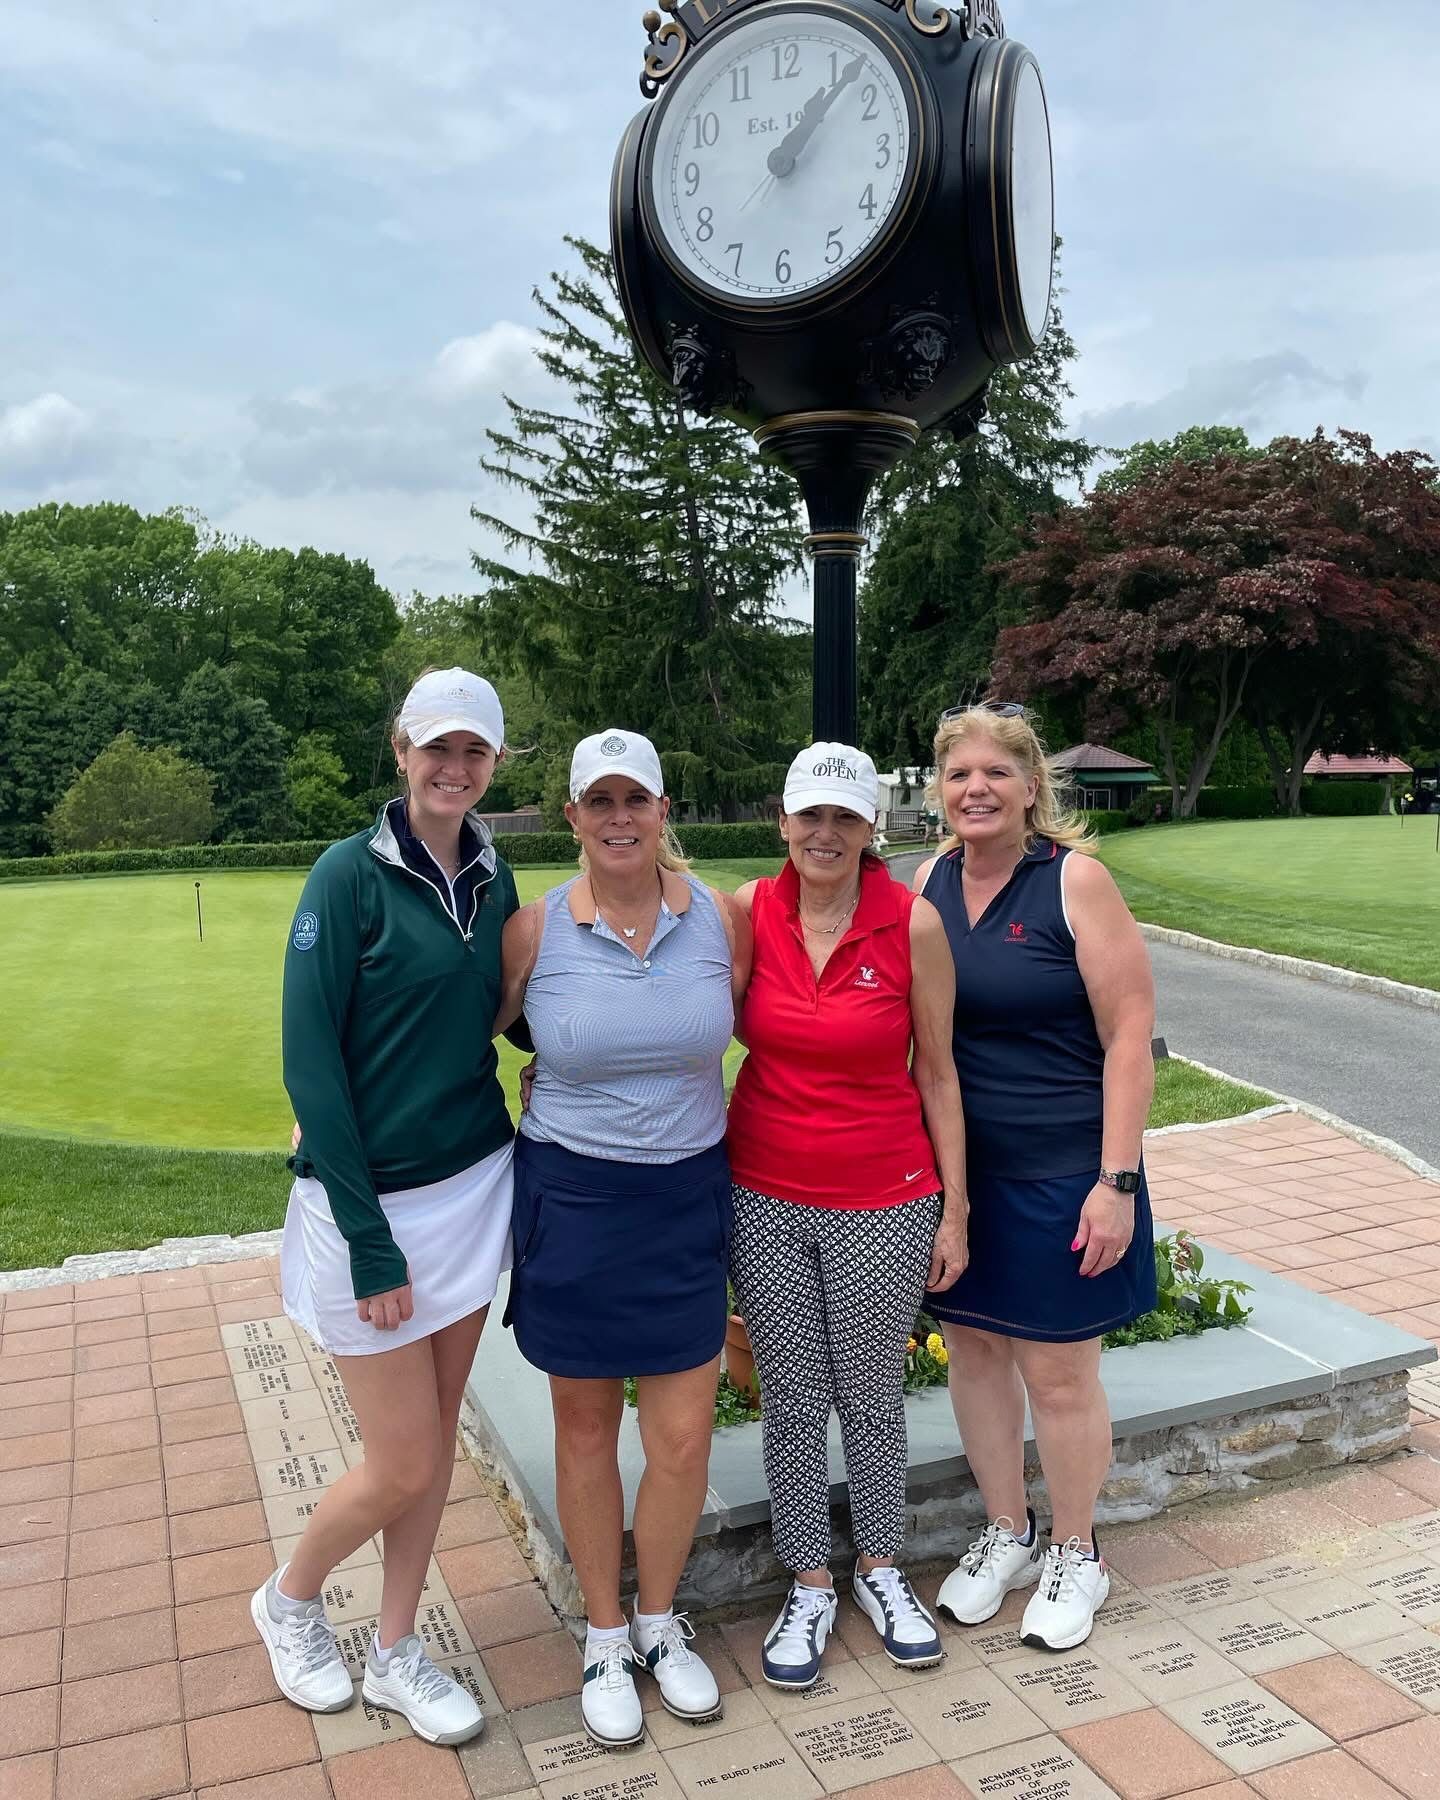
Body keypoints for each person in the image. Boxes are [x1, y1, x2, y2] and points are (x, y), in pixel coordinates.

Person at [253, 668, 522, 1746]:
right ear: (402, 750)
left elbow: (503, 1017)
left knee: (438, 1442)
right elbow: (312, 1066)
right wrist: (367, 1240)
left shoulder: (497, 875)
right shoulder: (345, 877)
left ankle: (399, 1650)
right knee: (403, 1458)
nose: (453, 770)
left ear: (494, 764)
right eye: (435, 749)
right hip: (365, 1206)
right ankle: (289, 1600)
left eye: (474, 753)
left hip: (470, 1186)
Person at [495, 729, 751, 1748]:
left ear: (662, 807)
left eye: (634, 799)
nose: (617, 818)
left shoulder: (719, 921)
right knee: (588, 1430)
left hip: (685, 1196)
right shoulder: (533, 932)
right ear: (571, 817)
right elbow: (461, 1037)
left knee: (684, 1436)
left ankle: (658, 1619)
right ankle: (604, 1634)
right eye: (597, 802)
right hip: (575, 1197)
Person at [725, 743, 969, 1690]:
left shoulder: (913, 924)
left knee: (868, 1391)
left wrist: (955, 1212)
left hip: (885, 1194)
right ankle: (809, 1581)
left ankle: (879, 1567)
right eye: (809, 816)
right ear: (783, 821)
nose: (825, 834)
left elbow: (939, 1073)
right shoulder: (748, 910)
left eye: (845, 818)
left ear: (874, 830)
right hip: (766, 1189)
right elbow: (695, 1024)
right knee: (788, 1392)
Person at [916, 704, 1157, 1652]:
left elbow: (1129, 1035)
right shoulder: (927, 881)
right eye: (958, 775)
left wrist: (1117, 1182)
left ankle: (1077, 1549)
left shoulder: (1076, 883)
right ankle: (1008, 1531)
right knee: (973, 1352)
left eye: (996, 774)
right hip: (962, 1176)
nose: (975, 789)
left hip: (1069, 1169)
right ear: (940, 790)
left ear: (1031, 788)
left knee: (1058, 1373)